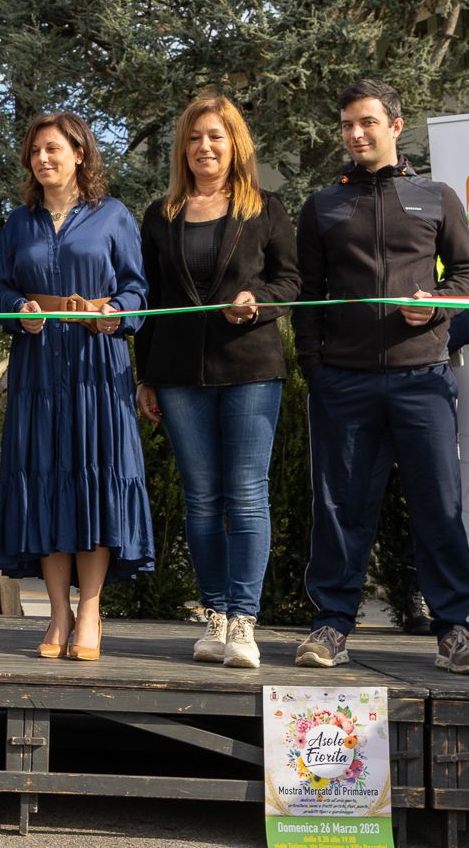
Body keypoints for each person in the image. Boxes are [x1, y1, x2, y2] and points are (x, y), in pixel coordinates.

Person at [292, 78, 469, 675]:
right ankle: (331, 625)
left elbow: (466, 273)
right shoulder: (322, 205)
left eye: (367, 123)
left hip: (422, 378)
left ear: (395, 126)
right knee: (340, 508)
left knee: (439, 505)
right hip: (344, 383)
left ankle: (455, 629)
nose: (356, 134)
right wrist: (315, 369)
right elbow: (307, 295)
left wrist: (435, 306)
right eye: (348, 125)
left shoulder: (436, 197)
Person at [133, 96, 299, 667]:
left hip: (251, 367)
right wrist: (146, 375)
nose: (205, 147)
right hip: (179, 375)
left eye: (217, 137)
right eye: (196, 137)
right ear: (183, 147)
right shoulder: (161, 214)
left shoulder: (266, 208)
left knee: (247, 495)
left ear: (235, 145)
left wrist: (261, 302)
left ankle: (245, 624)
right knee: (202, 499)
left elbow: (290, 280)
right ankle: (215, 618)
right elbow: (153, 300)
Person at [0, 111, 152, 662]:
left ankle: (90, 612)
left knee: (95, 483)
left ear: (80, 153)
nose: (43, 159)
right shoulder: (17, 223)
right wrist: (20, 312)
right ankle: (57, 613)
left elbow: (136, 290)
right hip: (38, 372)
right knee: (47, 484)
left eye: (54, 149)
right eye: (35, 151)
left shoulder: (112, 216)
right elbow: (2, 293)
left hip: (96, 372)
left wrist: (119, 314)